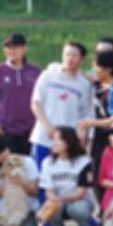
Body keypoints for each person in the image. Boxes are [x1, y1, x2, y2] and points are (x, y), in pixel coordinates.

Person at [30, 41, 94, 193]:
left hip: (68, 141)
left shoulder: (84, 84)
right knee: (40, 180)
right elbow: (36, 103)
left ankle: (63, 206)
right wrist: (48, 128)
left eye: (75, 55)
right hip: (44, 137)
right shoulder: (48, 75)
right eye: (67, 54)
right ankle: (42, 209)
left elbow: (86, 113)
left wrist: (82, 133)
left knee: (66, 182)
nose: (70, 58)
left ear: (82, 59)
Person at [78, 51, 113, 206]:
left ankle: (112, 209)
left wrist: (91, 123)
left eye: (97, 66)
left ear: (108, 69)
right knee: (96, 173)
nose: (93, 69)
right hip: (99, 136)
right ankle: (103, 208)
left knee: (106, 174)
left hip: (112, 138)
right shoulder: (100, 83)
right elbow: (90, 77)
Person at [0, 33, 41, 155]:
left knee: (30, 165)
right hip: (6, 132)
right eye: (8, 47)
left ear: (24, 48)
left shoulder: (35, 71)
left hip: (32, 131)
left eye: (16, 47)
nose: (12, 51)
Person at [40, 127, 95, 226]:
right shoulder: (47, 163)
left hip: (79, 201)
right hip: (58, 202)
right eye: (53, 139)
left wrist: (61, 198)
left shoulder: (83, 162)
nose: (54, 143)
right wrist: (54, 200)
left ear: (69, 142)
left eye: (58, 139)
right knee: (52, 204)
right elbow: (49, 191)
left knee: (78, 209)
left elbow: (80, 193)